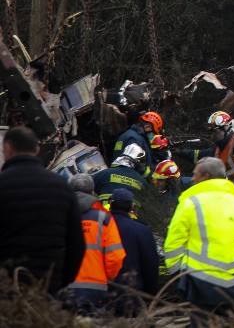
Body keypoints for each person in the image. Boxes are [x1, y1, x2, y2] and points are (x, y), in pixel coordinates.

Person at [164, 157, 234, 313]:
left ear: (206, 176)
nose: (192, 179)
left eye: (195, 175)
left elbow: (173, 244)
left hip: (199, 282)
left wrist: (178, 276)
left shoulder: (190, 204)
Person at [0, 126, 85, 295]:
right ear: (37, 149)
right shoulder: (62, 187)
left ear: (7, 148)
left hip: (7, 286)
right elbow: (77, 245)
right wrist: (60, 281)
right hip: (47, 285)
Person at [63, 174, 126, 312]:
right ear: (92, 192)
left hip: (64, 287)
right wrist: (107, 278)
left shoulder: (59, 217)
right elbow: (115, 257)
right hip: (95, 288)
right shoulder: (103, 219)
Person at [107, 188, 158, 317]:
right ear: (131, 207)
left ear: (111, 204)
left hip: (99, 291)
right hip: (130, 294)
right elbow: (150, 264)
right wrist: (149, 294)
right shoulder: (141, 229)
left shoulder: (99, 225)